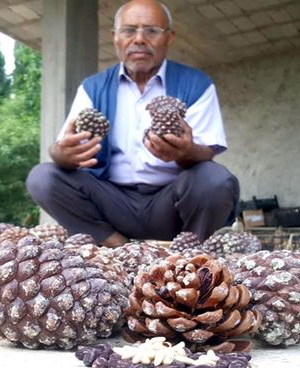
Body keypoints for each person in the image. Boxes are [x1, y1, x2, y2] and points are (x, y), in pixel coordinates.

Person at [26, 0, 239, 247]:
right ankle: (120, 248)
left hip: (171, 202)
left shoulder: (196, 83)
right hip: (112, 202)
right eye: (129, 31)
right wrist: (61, 153)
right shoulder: (93, 88)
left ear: (169, 37)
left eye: (151, 31)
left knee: (215, 180)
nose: (139, 39)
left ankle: (187, 254)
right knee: (43, 177)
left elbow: (207, 151)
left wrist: (186, 152)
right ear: (115, 37)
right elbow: (62, 149)